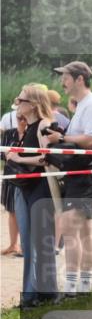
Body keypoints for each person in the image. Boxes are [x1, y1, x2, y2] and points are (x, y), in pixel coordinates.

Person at [52, 61, 92, 295]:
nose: (62, 82)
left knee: (70, 227)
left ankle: (73, 286)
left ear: (79, 79)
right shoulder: (84, 104)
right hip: (84, 170)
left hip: (89, 171)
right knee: (84, 229)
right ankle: (83, 285)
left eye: (65, 77)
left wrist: (62, 138)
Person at [5, 86, 59, 305]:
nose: (17, 103)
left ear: (34, 104)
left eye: (21, 100)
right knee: (29, 244)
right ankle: (36, 293)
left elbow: (46, 157)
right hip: (25, 188)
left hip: (39, 189)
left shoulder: (44, 124)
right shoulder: (28, 127)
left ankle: (39, 294)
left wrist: (18, 158)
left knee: (39, 244)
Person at [1, 103, 22, 257]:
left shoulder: (35, 131)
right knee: (11, 209)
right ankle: (13, 244)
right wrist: (8, 155)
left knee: (26, 210)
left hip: (28, 176)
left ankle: (24, 245)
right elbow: (2, 153)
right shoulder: (9, 133)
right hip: (11, 173)